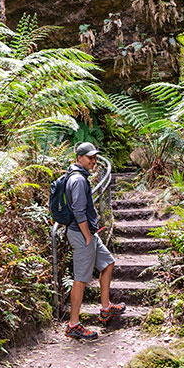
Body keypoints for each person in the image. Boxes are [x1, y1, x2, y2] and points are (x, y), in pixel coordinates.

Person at [63, 142, 126, 340]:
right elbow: (78, 210)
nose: (93, 161)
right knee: (81, 279)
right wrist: (88, 236)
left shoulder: (79, 177)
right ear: (79, 158)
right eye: (89, 157)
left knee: (108, 263)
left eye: (95, 157)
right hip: (82, 234)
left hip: (87, 232)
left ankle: (106, 308)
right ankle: (73, 325)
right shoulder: (78, 180)